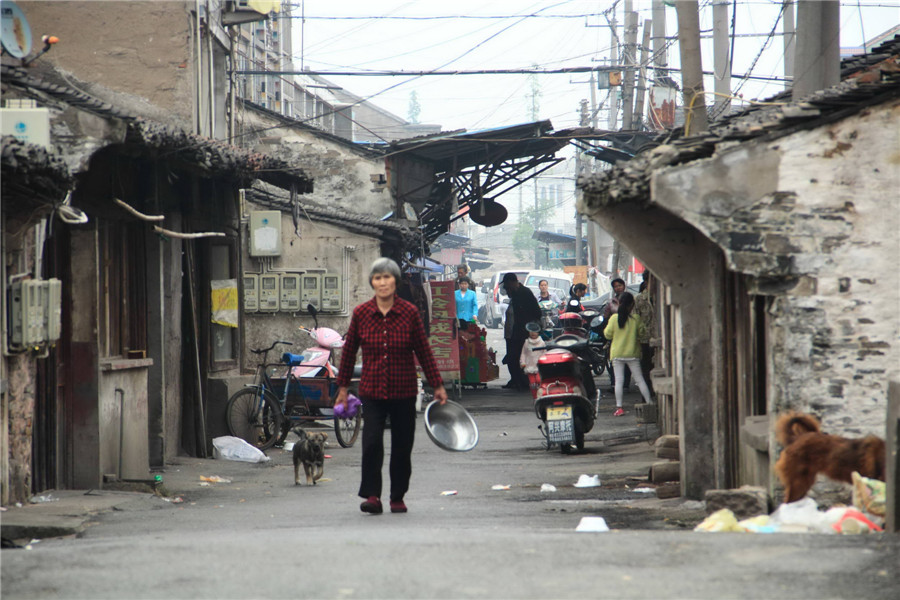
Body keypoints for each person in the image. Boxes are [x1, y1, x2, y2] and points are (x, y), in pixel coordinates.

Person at [335, 258, 448, 515]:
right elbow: (349, 351)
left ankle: (397, 496)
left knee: (402, 445)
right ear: (372, 283)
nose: (382, 282)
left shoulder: (409, 313)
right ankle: (373, 496)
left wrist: (437, 384)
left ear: (395, 282)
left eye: (387, 278)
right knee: (372, 442)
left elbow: (424, 350)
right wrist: (342, 388)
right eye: (377, 278)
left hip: (404, 390)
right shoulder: (362, 314)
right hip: (372, 391)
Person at [603, 292, 654, 416]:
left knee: (619, 381)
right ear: (632, 305)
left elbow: (607, 334)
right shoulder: (636, 319)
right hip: (633, 353)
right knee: (640, 379)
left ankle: (619, 407)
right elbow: (642, 334)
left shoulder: (614, 319)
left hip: (617, 354)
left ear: (619, 303)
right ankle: (649, 404)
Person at [502, 272, 541, 391]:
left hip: (521, 332)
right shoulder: (514, 295)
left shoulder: (525, 293)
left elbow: (537, 313)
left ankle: (522, 381)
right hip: (511, 332)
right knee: (511, 357)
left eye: (508, 287)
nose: (507, 290)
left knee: (520, 356)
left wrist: (529, 328)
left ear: (513, 283)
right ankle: (514, 379)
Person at [633, 273, 656, 399]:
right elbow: (635, 319)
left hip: (659, 338)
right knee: (645, 368)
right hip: (644, 339)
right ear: (646, 281)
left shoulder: (659, 298)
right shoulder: (639, 299)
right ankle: (647, 394)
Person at [520, 321, 546, 399]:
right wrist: (522, 362)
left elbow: (545, 353)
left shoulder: (542, 343)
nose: (533, 333)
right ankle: (535, 397)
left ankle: (540, 396)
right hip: (529, 366)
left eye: (535, 332)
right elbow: (523, 353)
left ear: (538, 332)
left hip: (539, 366)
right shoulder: (526, 342)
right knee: (532, 383)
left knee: (539, 381)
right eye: (531, 331)